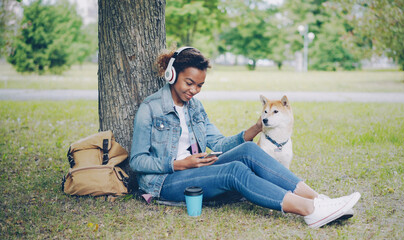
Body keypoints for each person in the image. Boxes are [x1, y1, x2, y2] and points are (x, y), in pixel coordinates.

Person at [130, 47, 360, 228]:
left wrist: (256, 128)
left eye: (199, 85)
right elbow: (137, 161)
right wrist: (179, 164)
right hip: (165, 181)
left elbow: (219, 144)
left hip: (196, 169)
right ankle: (309, 211)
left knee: (250, 151)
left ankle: (321, 200)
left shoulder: (195, 108)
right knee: (234, 171)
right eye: (189, 83)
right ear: (172, 74)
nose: (194, 90)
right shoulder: (150, 108)